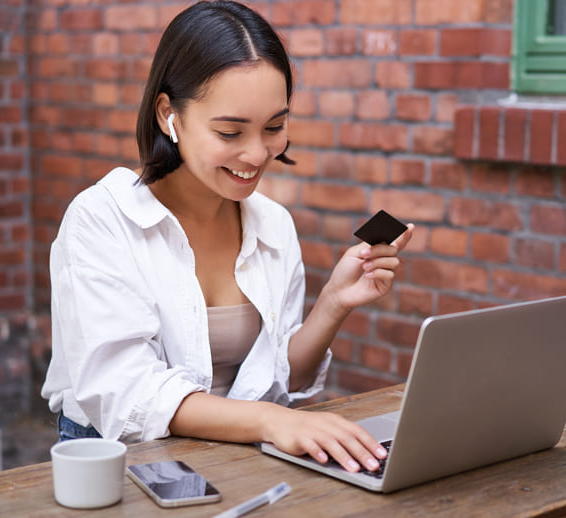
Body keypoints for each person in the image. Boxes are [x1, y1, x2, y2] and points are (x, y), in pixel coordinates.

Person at [41, 0, 414, 474]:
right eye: (231, 131)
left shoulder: (272, 224)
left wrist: (335, 303)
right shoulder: (102, 220)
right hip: (124, 466)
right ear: (167, 115)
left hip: (242, 460)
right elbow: (127, 395)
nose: (258, 154)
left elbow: (283, 381)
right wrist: (271, 421)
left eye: (274, 127)